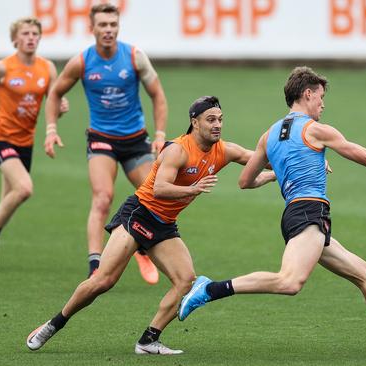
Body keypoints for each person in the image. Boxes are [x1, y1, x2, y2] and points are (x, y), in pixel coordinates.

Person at [178, 67, 366, 356]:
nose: (323, 104)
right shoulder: (316, 130)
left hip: (301, 215)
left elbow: (244, 181)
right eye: (321, 97)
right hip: (308, 214)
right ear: (308, 94)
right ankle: (210, 289)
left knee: (363, 273)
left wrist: (282, 172)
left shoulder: (270, 135)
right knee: (289, 282)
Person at [26, 96, 276, 355]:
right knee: (103, 281)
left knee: (185, 281)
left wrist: (287, 165)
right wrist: (192, 188)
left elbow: (258, 159)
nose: (218, 125)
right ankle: (54, 324)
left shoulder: (224, 150)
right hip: (139, 214)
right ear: (194, 122)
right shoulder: (178, 150)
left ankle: (148, 340)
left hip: (164, 225)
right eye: (211, 120)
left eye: (220, 120)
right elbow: (159, 188)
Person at [44, 4, 166, 281]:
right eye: (103, 25)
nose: (108, 30)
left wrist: (159, 134)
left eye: (113, 25)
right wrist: (51, 129)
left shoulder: (134, 57)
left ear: (118, 27)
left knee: (155, 198)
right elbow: (55, 93)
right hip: (101, 139)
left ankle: (141, 250)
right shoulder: (82, 62)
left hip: (135, 140)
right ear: (93, 28)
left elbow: (157, 94)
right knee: (102, 198)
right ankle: (95, 266)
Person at [0, 17, 69, 269]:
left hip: (26, 143)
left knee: (7, 201)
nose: (31, 37)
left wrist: (60, 109)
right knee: (24, 188)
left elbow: (52, 102)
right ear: (15, 39)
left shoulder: (47, 68)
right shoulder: (1, 68)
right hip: (0, 138)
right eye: (25, 33)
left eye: (35, 33)